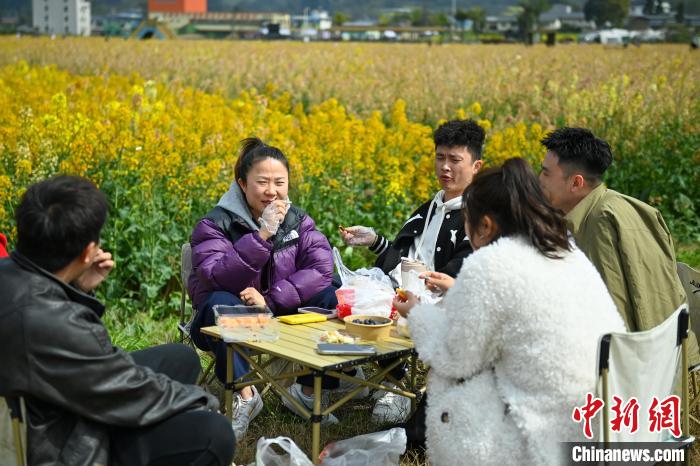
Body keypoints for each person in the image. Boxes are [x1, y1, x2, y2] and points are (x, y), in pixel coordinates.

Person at [393, 158, 625, 465]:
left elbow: (455, 358)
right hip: (609, 421)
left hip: (550, 435)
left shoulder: (489, 265)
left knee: (452, 383)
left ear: (485, 226)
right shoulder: (564, 251)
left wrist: (417, 315)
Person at [0, 175, 234, 466]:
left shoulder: (10, 271)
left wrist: (77, 285)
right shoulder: (53, 320)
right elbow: (123, 385)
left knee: (180, 357)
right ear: (88, 251)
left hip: (50, 401)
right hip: (64, 442)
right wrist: (201, 402)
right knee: (215, 433)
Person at [189, 138, 359, 430]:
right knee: (219, 302)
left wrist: (270, 299)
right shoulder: (215, 224)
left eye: (279, 182)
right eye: (262, 182)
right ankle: (246, 393)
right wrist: (262, 235)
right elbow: (215, 276)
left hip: (281, 312)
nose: (272, 192)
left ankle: (306, 392)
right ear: (242, 184)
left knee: (333, 296)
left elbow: (320, 268)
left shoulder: (298, 221)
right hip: (232, 320)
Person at [340, 119, 484, 423]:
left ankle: (398, 384)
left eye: (455, 160)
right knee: (341, 296)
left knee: (383, 311)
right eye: (440, 157)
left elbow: (455, 275)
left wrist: (413, 289)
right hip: (404, 292)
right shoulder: (427, 208)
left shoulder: (478, 218)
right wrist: (376, 241)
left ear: (476, 166)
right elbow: (404, 259)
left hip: (442, 302)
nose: (445, 167)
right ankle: (356, 375)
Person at [538, 127, 698, 361]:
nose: (538, 180)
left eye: (545, 173)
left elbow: (613, 317)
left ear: (576, 183)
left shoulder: (600, 222)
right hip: (676, 356)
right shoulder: (617, 206)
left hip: (653, 372)